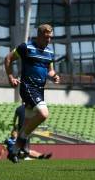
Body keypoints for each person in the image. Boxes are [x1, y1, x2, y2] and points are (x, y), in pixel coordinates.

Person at [4, 23, 60, 164]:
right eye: (46, 37)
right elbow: (8, 58)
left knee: (27, 122)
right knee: (43, 114)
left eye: (51, 38)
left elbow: (50, 70)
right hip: (28, 87)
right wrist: (10, 77)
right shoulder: (26, 48)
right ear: (39, 35)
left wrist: (54, 76)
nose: (49, 40)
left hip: (40, 90)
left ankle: (14, 152)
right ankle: (23, 136)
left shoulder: (49, 53)